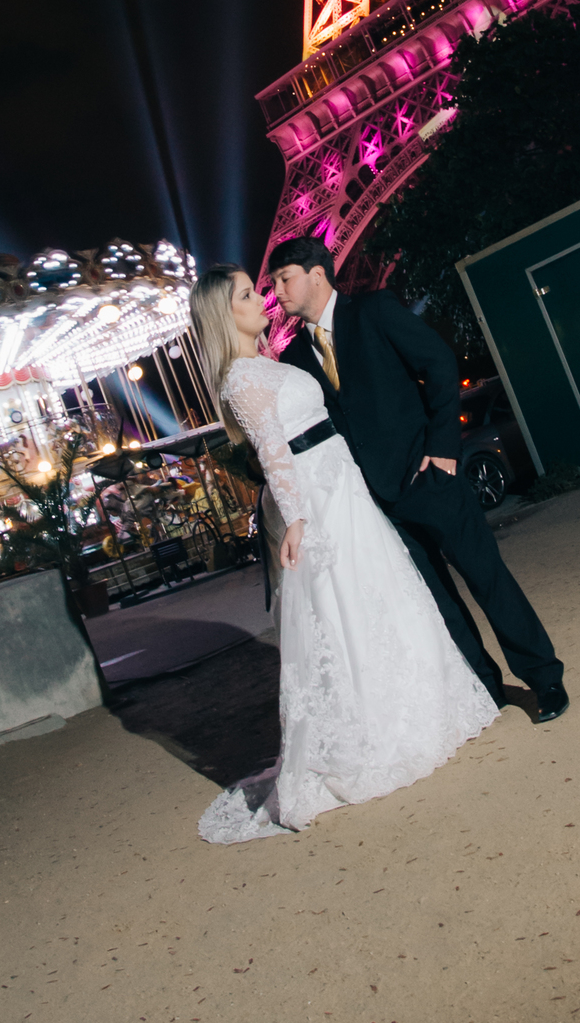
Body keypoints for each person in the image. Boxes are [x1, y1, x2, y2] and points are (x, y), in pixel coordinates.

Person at [189, 264, 497, 840]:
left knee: (380, 596)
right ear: (222, 314)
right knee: (350, 608)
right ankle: (377, 733)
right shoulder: (240, 378)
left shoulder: (264, 364)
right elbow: (275, 453)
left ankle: (423, 712)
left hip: (342, 483)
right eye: (247, 295)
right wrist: (298, 520)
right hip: (320, 497)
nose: (262, 299)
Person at [268, 236, 568, 723]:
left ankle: (545, 678)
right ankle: (486, 690)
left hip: (430, 476)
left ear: (316, 274)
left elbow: (439, 363)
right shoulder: (295, 360)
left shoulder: (374, 311)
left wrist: (444, 448)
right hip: (377, 500)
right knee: (438, 600)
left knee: (487, 578)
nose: (277, 292)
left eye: (284, 279)